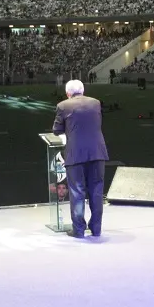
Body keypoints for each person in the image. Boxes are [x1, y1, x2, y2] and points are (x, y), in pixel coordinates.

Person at [52, 79, 109, 238]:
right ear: (83, 91)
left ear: (67, 93)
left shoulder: (63, 106)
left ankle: (78, 230)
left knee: (77, 192)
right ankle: (96, 229)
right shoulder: (96, 103)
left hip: (75, 153)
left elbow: (57, 130)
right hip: (97, 153)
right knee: (97, 191)